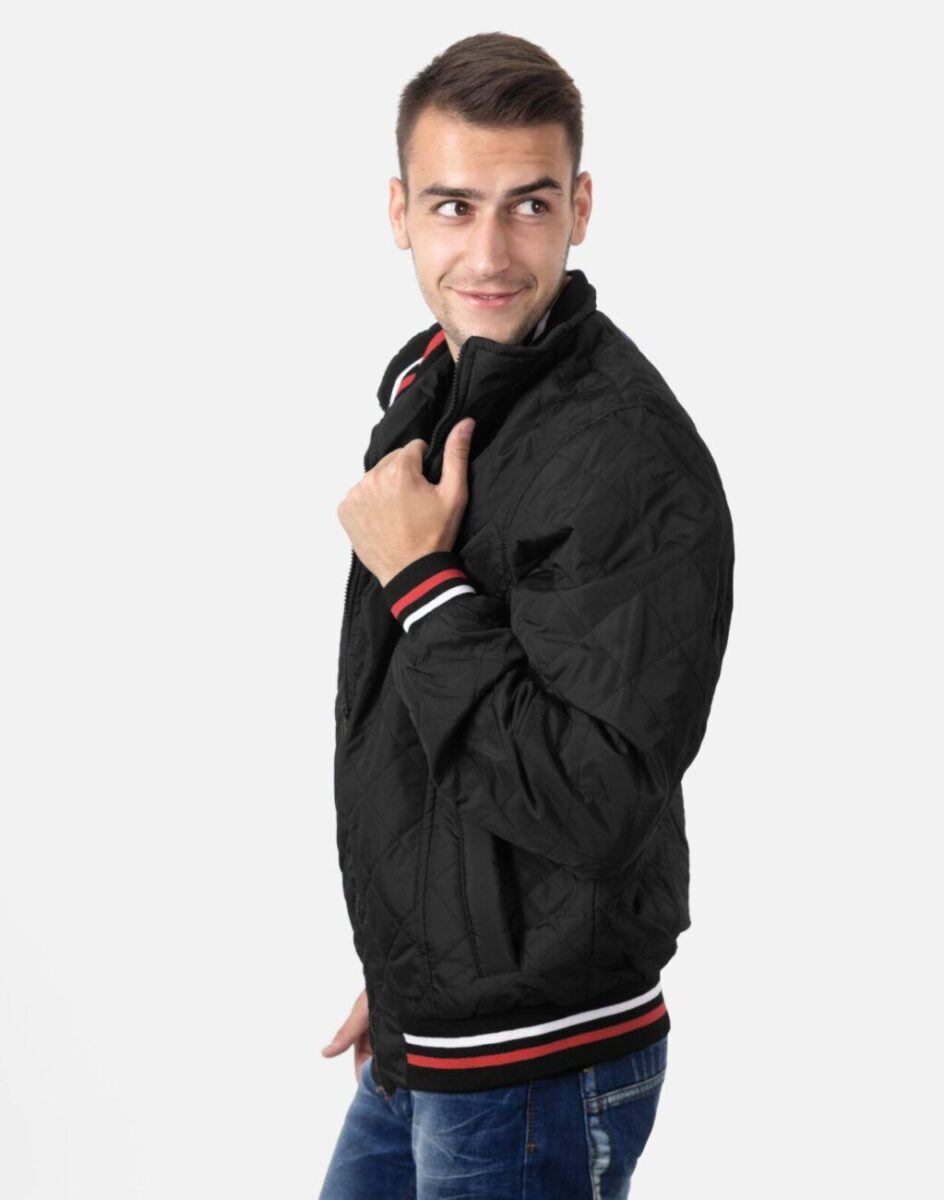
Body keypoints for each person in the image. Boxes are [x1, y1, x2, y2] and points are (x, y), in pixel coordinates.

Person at [320, 31, 735, 1199]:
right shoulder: (444, 387)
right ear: (400, 213)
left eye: (529, 205)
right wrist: (412, 964)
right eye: (454, 206)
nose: (489, 252)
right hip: (435, 1026)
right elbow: (430, 742)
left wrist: (420, 580)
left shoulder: (622, 457)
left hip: (534, 1071)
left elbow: (590, 801)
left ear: (579, 209)